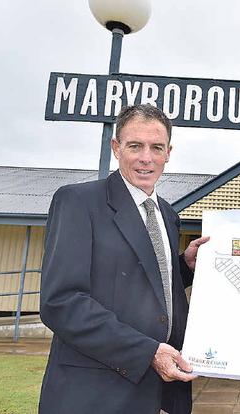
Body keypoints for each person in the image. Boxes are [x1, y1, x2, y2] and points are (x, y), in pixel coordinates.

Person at [39, 104, 209, 414]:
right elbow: (61, 302)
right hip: (96, 394)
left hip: (160, 394)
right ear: (116, 147)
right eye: (135, 146)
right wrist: (147, 352)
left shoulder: (168, 215)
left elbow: (142, 279)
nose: (147, 157)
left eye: (156, 147)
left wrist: (183, 265)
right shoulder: (78, 202)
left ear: (168, 152)